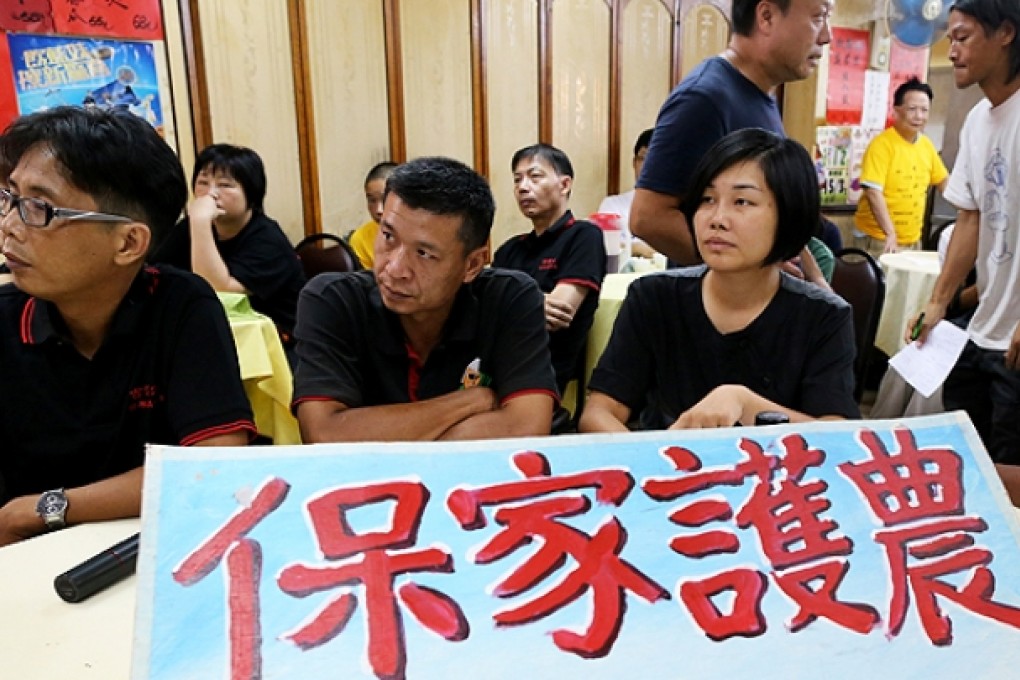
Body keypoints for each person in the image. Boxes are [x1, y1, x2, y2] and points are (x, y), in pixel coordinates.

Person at [0, 106, 255, 547]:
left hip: (152, 550)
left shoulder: (181, 305)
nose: (9, 226)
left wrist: (48, 507)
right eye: (10, 198)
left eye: (38, 207)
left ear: (128, 243)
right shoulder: (5, 318)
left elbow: (217, 462)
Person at [579, 129, 858, 433]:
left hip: (776, 475)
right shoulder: (653, 297)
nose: (717, 218)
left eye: (742, 201)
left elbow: (837, 433)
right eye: (707, 199)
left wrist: (744, 402)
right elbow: (598, 413)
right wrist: (659, 460)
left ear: (789, 215)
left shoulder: (824, 316)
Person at [293, 156, 557, 442]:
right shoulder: (332, 300)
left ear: (472, 265)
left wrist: (384, 434)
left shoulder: (510, 298)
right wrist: (469, 402)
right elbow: (324, 435)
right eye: (388, 237)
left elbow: (527, 427)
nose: (394, 269)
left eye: (424, 253)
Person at [631, 0, 832, 265]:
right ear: (767, 17)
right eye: (819, 17)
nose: (826, 36)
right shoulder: (705, 98)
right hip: (720, 302)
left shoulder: (759, 94)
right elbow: (649, 219)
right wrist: (746, 272)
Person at [908, 0, 1020, 464]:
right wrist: (937, 302)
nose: (951, 50)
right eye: (949, 38)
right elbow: (970, 219)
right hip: (981, 334)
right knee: (967, 466)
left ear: (1006, 34)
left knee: (1010, 483)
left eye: (962, 36)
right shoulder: (978, 120)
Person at [151, 144, 306, 343]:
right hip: (217, 333)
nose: (211, 193)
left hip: (278, 343)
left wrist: (200, 222)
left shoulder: (268, 239)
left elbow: (220, 293)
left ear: (251, 193)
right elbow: (157, 271)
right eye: (203, 182)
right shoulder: (190, 228)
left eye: (225, 185)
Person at [493, 144, 606, 394]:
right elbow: (478, 311)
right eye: (517, 180)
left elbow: (558, 313)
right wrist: (532, 305)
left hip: (542, 375)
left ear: (564, 185)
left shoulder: (584, 236)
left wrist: (502, 308)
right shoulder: (509, 250)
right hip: (494, 367)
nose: (523, 187)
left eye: (535, 177)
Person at [852, 77, 949, 258]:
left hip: (912, 241)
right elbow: (873, 192)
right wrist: (890, 233)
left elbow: (943, 181)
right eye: (912, 109)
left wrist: (967, 210)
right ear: (896, 111)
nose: (919, 116)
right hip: (878, 240)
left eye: (924, 110)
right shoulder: (882, 145)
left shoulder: (926, 146)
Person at [596, 129, 657, 261]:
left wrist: (630, 247)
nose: (648, 166)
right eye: (643, 158)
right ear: (634, 163)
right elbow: (604, 245)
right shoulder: (613, 205)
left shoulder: (681, 206)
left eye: (656, 159)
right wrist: (641, 249)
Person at [348, 161, 398, 269]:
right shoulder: (360, 237)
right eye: (371, 200)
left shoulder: (424, 232)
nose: (378, 210)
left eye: (384, 199)